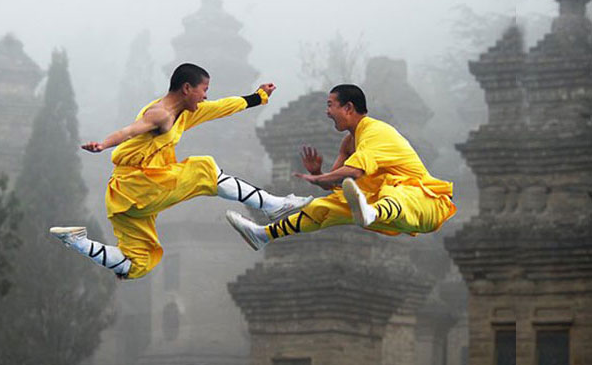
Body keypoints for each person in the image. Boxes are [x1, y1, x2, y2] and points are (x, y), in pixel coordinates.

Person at [50, 63, 312, 279]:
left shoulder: (184, 112)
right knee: (204, 169)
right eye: (204, 89)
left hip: (124, 198)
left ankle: (77, 241)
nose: (206, 96)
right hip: (138, 185)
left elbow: (220, 107)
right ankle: (271, 205)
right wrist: (103, 144)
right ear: (187, 88)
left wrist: (258, 96)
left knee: (138, 264)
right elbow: (129, 131)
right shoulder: (160, 114)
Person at [225, 84, 456, 250]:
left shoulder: (376, 131)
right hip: (382, 204)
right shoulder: (349, 142)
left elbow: (354, 172)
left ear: (348, 108)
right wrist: (318, 173)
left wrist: (317, 178)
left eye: (330, 105)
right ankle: (263, 235)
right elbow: (336, 183)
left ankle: (370, 211)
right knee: (324, 207)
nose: (327, 112)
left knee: (395, 189)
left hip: (427, 204)